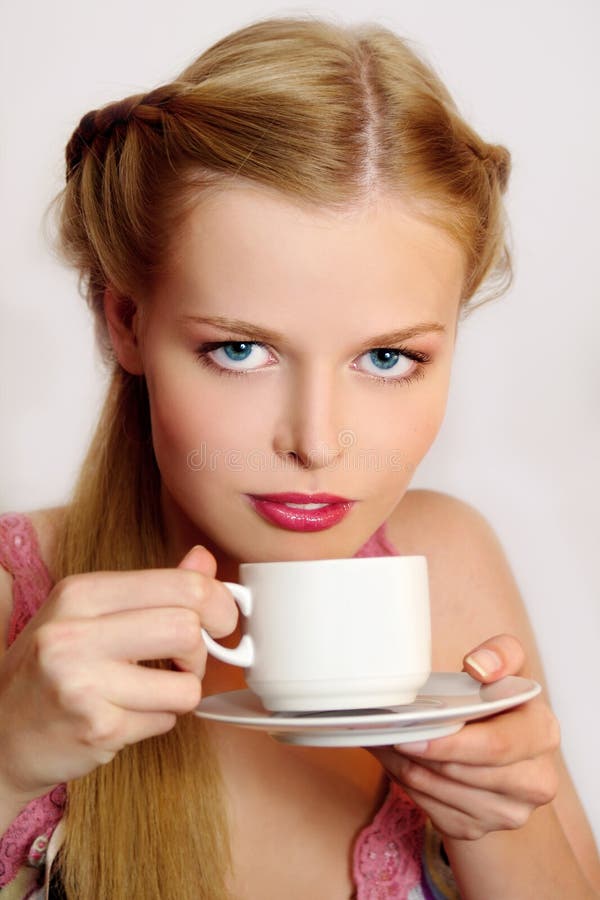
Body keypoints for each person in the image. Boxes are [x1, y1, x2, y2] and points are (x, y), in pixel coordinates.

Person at [0, 14, 598, 900]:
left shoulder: (450, 566)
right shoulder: (14, 601)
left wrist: (498, 825)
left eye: (388, 358)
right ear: (124, 320)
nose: (316, 443)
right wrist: (7, 759)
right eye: (241, 350)